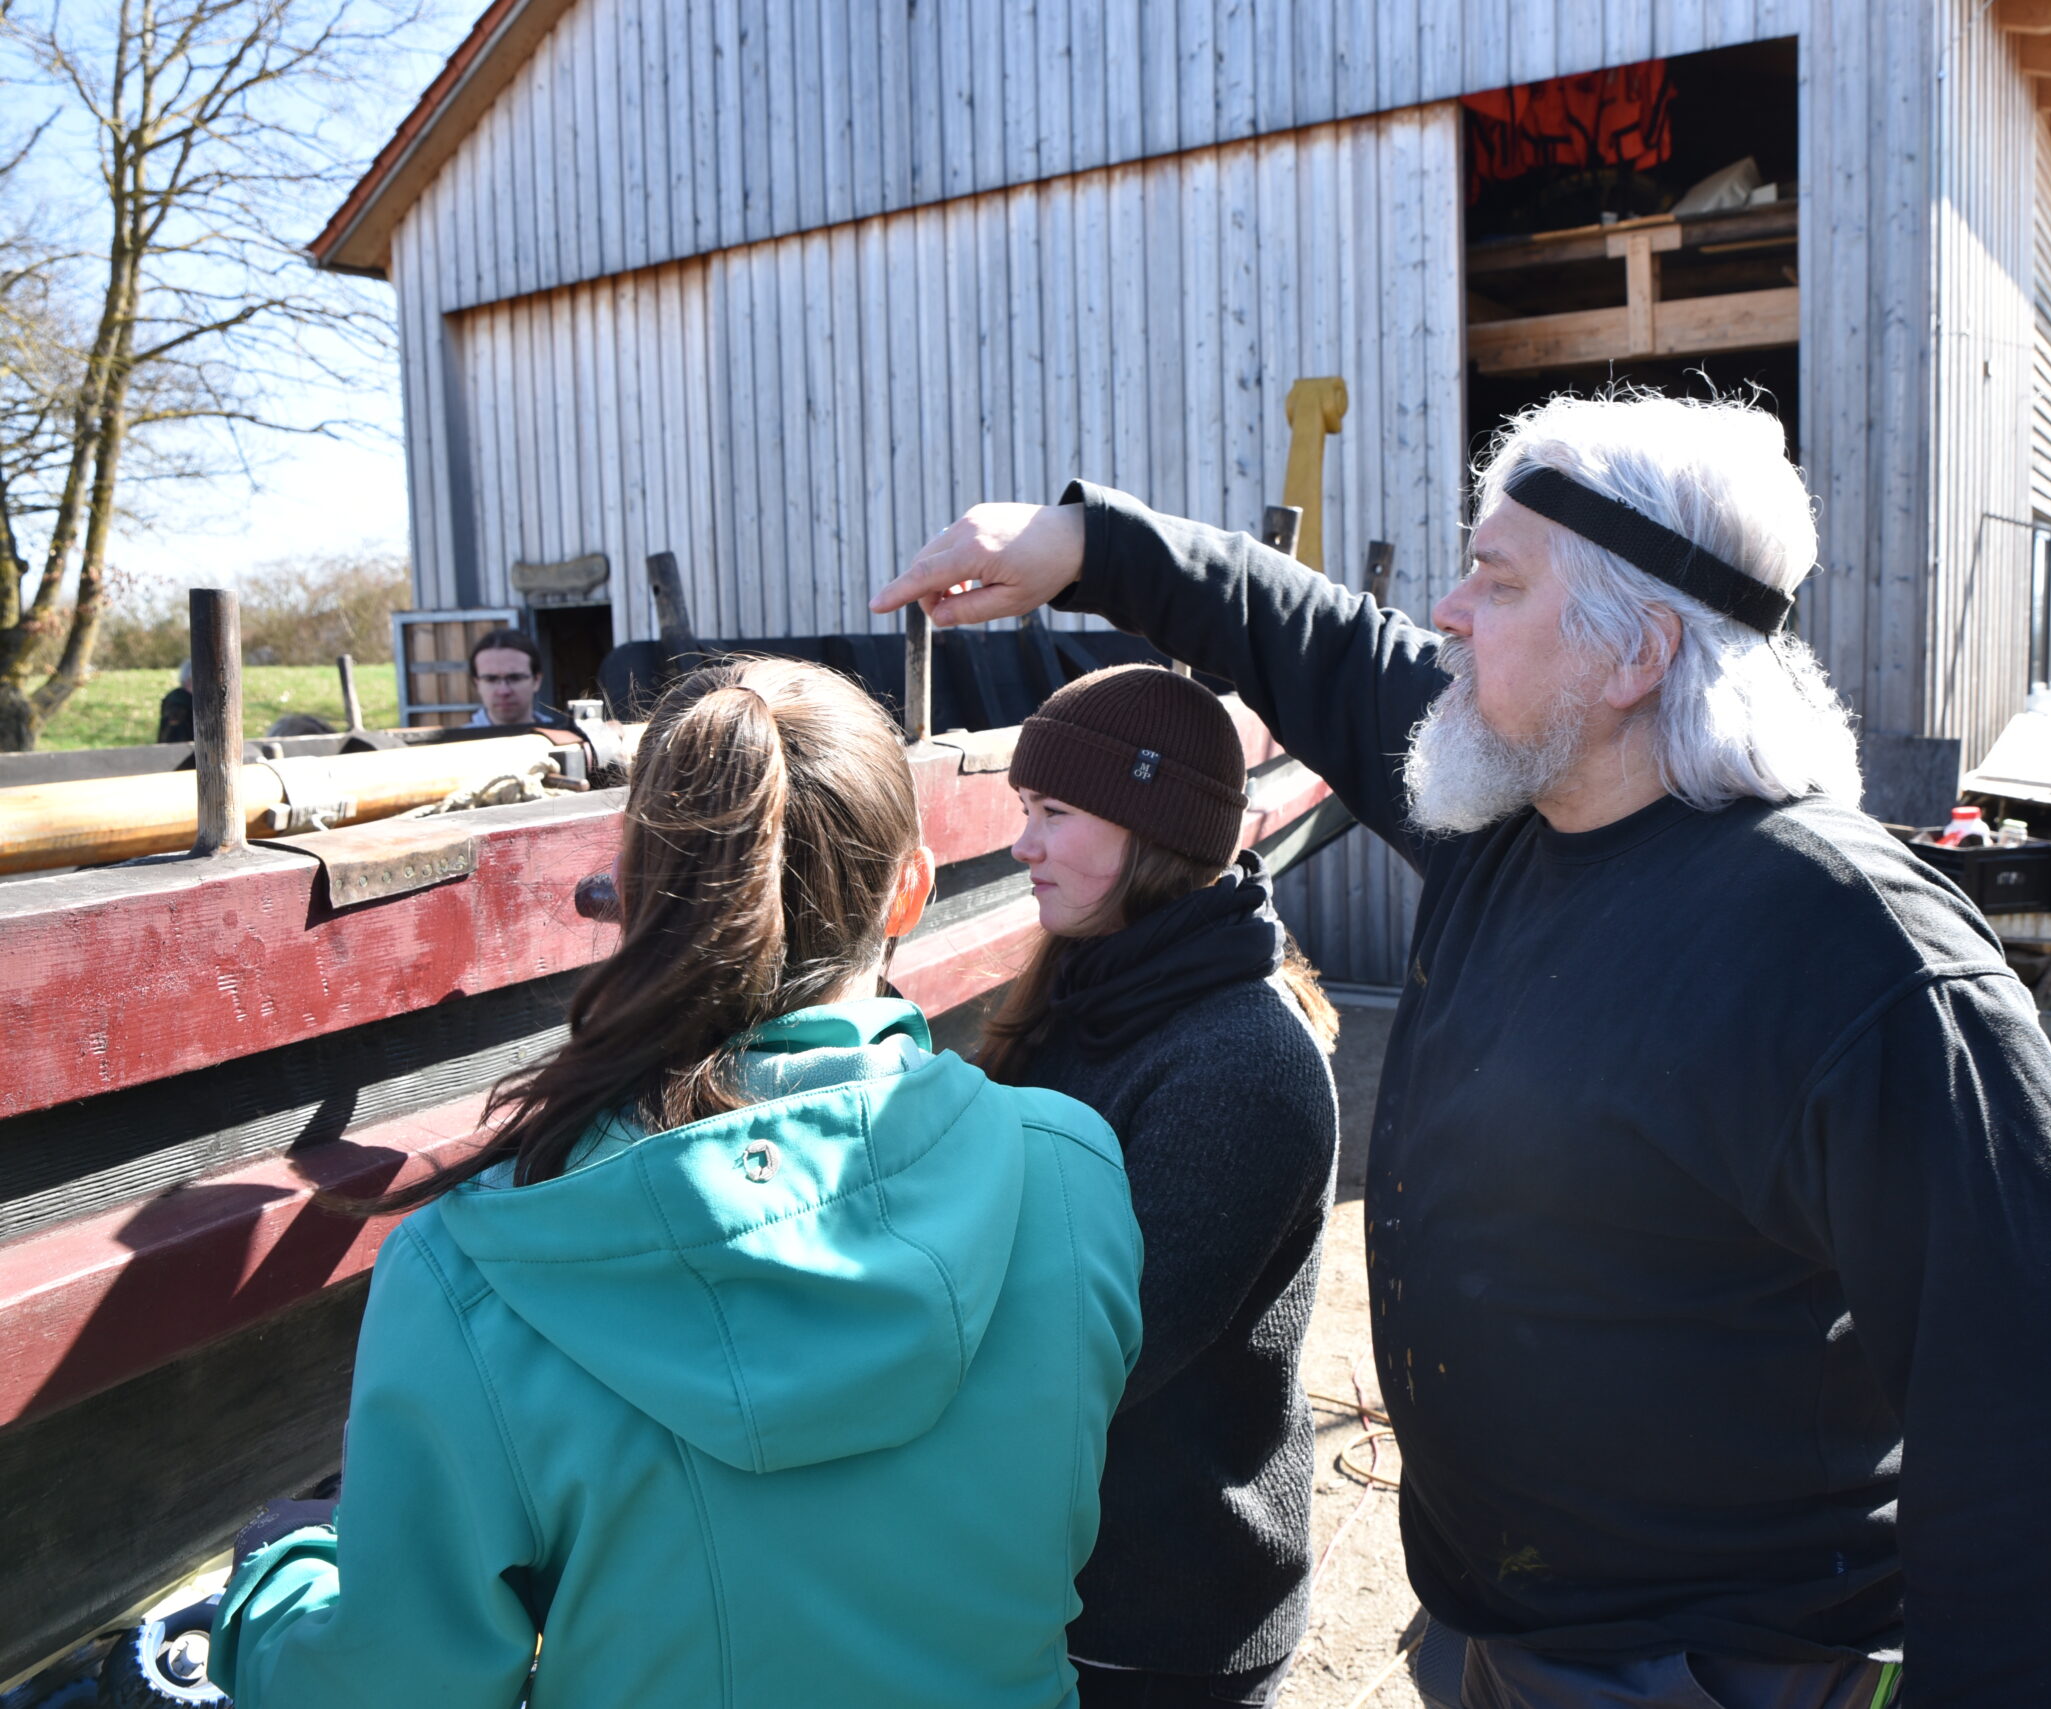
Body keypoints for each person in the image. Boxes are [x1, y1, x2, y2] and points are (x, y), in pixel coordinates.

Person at [874, 392, 2051, 1709]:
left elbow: (2046, 1425)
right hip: (1500, 1638)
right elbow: (1315, 643)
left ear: (1634, 654)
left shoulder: (1851, 954)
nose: (1445, 612)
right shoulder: (1514, 824)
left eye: (1493, 578)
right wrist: (1090, 546)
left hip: (1726, 1668)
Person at [210, 657, 1144, 1709]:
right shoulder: (1070, 1166)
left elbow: (388, 1687)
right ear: (913, 889)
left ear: (632, 897)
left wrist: (272, 1580)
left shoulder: (471, 1260)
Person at [975, 664, 1340, 1709]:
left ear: (1153, 827)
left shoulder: (1238, 1063)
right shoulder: (1090, 981)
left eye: (1052, 812)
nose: (1021, 843)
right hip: (1065, 1574)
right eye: (1022, 809)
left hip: (1162, 1616)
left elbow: (1102, 1356)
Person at [466, 626, 563, 726]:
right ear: (477, 684)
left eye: (515, 678)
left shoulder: (566, 739)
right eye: (491, 679)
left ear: (536, 681)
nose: (503, 691)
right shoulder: (458, 741)